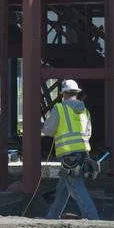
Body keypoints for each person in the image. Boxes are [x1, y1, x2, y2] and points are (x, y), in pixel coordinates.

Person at [41, 79, 101, 220]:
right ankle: (52, 217)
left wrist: (42, 127)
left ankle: (93, 218)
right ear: (76, 93)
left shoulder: (60, 109)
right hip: (83, 154)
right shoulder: (85, 110)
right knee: (63, 187)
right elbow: (89, 132)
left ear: (64, 94)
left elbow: (49, 130)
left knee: (76, 187)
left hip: (68, 155)